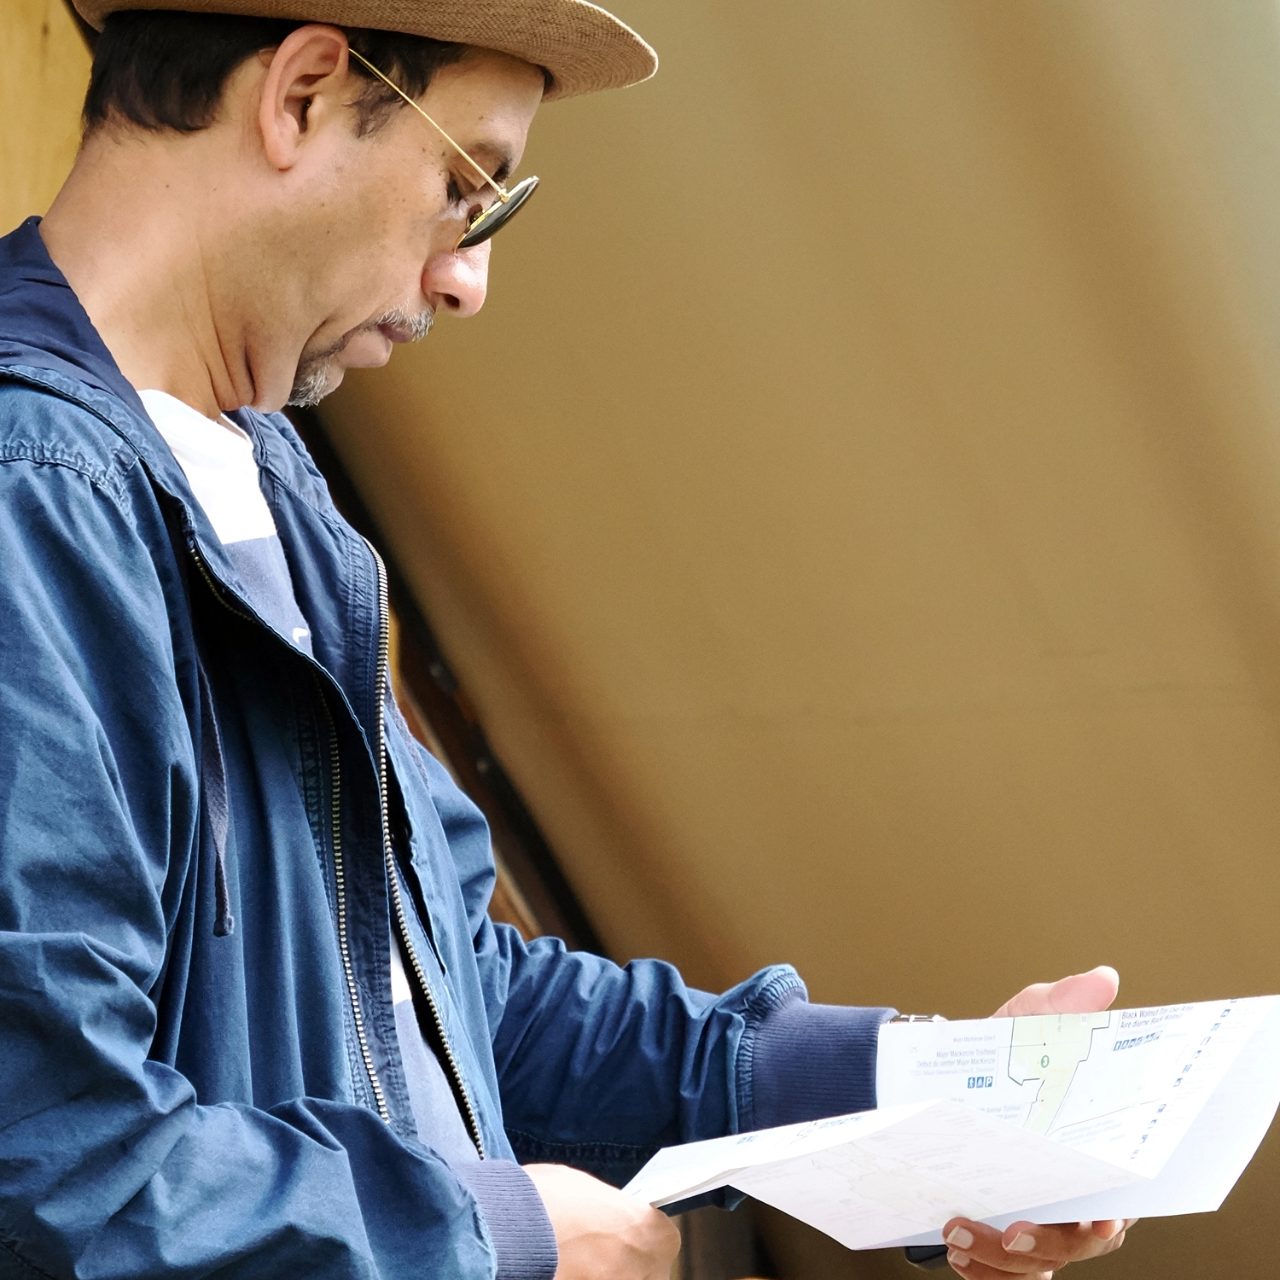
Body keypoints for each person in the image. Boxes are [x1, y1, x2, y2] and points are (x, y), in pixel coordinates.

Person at [0, 3, 1133, 1278]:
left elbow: (444, 986)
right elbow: (50, 1169)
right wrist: (497, 1235)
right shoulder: (28, 502)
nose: (467, 277)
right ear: (305, 93)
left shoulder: (268, 485)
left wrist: (928, 1093)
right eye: (464, 184)